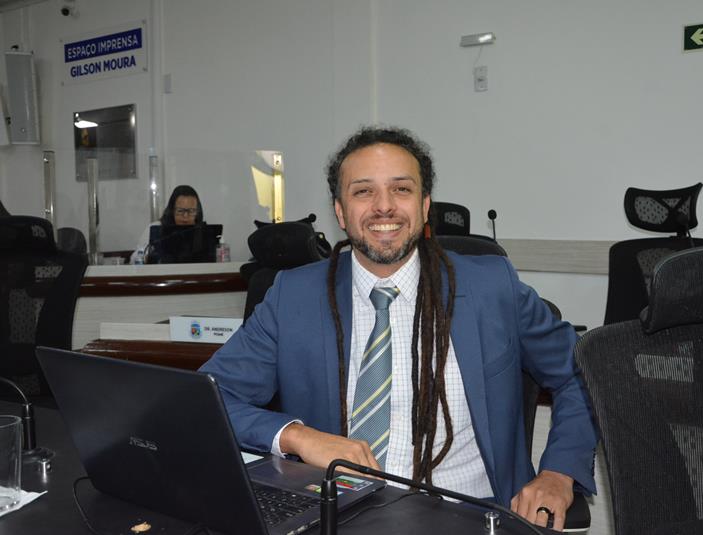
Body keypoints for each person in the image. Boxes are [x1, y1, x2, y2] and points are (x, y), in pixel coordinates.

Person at [199, 127, 597, 531]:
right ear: (340, 212)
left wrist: (559, 473)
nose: (384, 206)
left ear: (424, 207)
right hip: (339, 516)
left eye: (401, 189)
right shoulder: (294, 297)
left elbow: (584, 373)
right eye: (363, 191)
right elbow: (209, 397)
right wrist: (297, 437)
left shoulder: (492, 287)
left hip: (471, 516)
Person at [129, 185, 204, 263]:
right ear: (172, 211)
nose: (185, 216)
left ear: (197, 212)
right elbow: (134, 259)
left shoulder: (203, 232)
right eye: (180, 211)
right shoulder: (156, 228)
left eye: (191, 211)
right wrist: (147, 258)